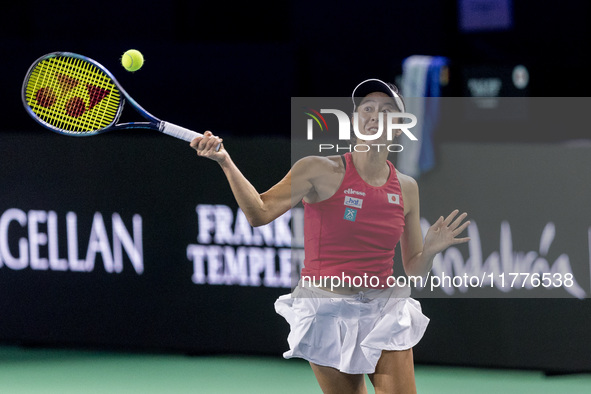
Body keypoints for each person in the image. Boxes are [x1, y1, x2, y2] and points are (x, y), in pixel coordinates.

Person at [190, 79, 470, 394]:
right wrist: (225, 161)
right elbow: (259, 212)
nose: (374, 115)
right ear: (354, 121)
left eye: (386, 110)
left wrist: (430, 251)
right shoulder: (318, 170)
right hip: (327, 310)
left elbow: (415, 270)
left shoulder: (407, 188)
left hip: (383, 309)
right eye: (367, 108)